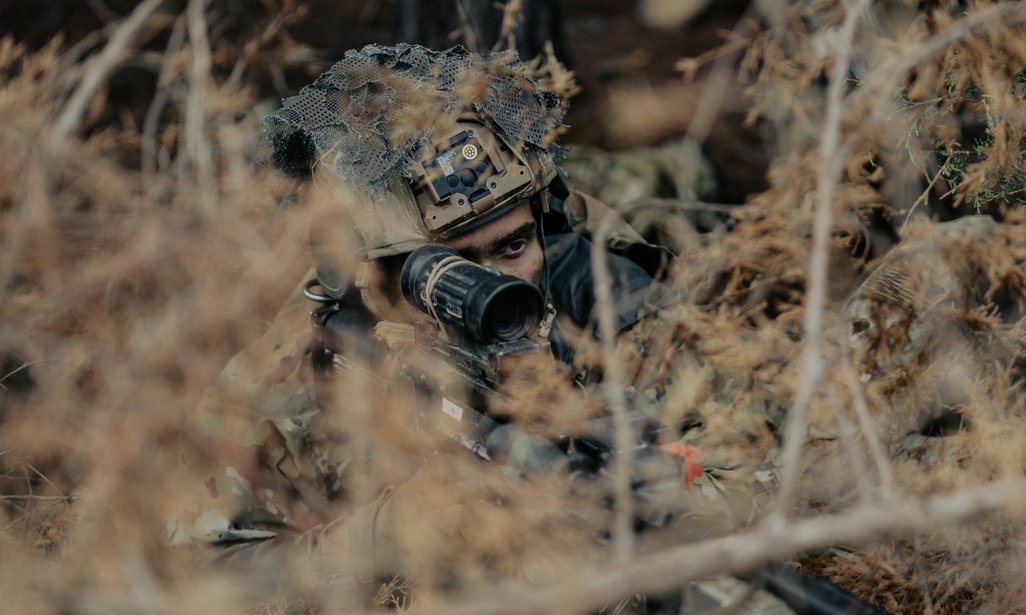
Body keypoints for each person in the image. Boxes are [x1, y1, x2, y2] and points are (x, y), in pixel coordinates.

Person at [169, 43, 676, 556]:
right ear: (365, 274)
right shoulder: (294, 370)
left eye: (513, 246)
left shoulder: (607, 297)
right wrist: (383, 538)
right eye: (445, 267)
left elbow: (743, 476)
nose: (492, 286)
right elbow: (186, 575)